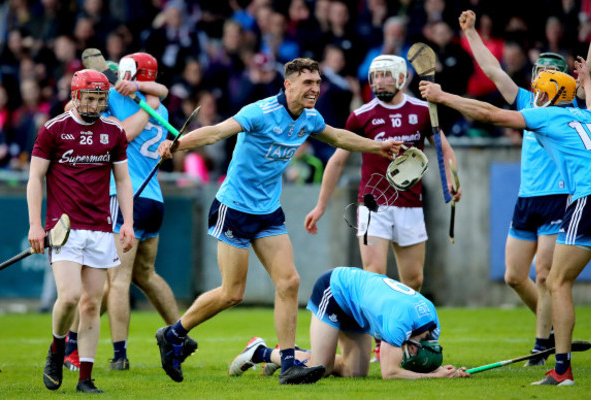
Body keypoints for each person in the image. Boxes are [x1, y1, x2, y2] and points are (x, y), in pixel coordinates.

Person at [154, 58, 402, 385]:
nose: (314, 89)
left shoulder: (310, 118)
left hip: (268, 210)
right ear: (288, 85)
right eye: (307, 83)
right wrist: (178, 144)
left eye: (316, 83)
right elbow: (215, 132)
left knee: (289, 283)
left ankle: (288, 365)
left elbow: (339, 138)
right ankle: (173, 334)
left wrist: (377, 147)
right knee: (232, 292)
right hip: (235, 208)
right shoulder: (259, 112)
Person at [419, 57, 591, 386]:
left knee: (557, 283)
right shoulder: (587, 115)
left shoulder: (546, 115)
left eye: (539, 90)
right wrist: (589, 82)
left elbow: (489, 114)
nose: (534, 93)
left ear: (548, 96)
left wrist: (443, 96)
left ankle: (562, 370)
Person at [458, 1, 591, 366]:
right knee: (514, 275)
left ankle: (543, 346)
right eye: (538, 69)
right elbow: (493, 71)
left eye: (548, 71)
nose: (540, 76)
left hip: (559, 197)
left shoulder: (571, 107)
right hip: (527, 199)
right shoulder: (527, 102)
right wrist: (471, 33)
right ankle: (554, 328)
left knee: (545, 274)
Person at [304, 54, 461, 362]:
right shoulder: (361, 115)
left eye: (387, 76)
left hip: (411, 205)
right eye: (375, 76)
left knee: (413, 280)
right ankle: (380, 343)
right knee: (373, 274)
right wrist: (321, 205)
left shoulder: (421, 111)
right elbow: (337, 160)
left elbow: (443, 148)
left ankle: (405, 337)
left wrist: (452, 181)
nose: (380, 82)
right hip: (373, 205)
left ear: (401, 78)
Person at [28, 69, 135, 393]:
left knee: (91, 303)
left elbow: (124, 180)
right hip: (64, 229)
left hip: (100, 228)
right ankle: (57, 347)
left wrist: (127, 222)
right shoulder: (53, 130)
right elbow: (35, 178)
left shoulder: (114, 132)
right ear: (75, 96)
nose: (95, 104)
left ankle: (85, 378)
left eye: (101, 98)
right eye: (89, 97)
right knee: (71, 297)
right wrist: (35, 223)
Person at [228, 267, 470, 380]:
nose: (411, 355)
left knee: (356, 373)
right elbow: (390, 373)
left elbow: (415, 360)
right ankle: (261, 352)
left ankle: (290, 355)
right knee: (320, 368)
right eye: (412, 352)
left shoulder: (431, 323)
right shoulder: (398, 325)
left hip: (357, 308)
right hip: (334, 291)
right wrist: (435, 377)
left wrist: (442, 370)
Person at [98, 52, 181, 371]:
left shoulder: (126, 102)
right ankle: (181, 333)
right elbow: (161, 91)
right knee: (145, 274)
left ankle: (119, 356)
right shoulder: (158, 106)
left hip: (126, 196)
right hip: (154, 200)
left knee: (116, 279)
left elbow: (123, 135)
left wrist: (127, 91)